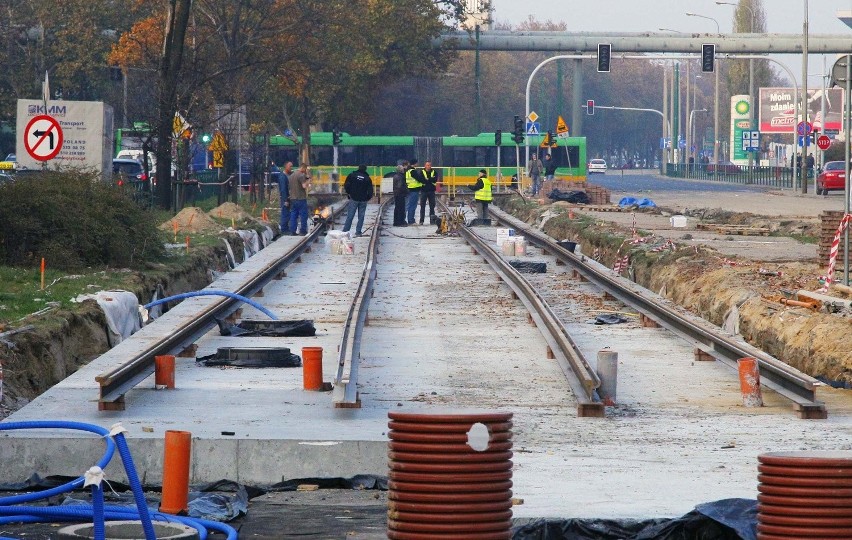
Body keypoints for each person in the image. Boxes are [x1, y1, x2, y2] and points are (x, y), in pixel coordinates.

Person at [342, 165, 374, 237]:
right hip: (363, 200)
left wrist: (349, 193)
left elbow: (346, 185)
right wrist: (368, 198)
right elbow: (370, 190)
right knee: (361, 216)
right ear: (365, 170)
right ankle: (358, 232)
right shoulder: (367, 178)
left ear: (358, 168)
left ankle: (345, 231)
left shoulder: (352, 175)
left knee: (350, 216)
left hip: (353, 198)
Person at [288, 163, 311, 235]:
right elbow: (304, 186)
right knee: (303, 215)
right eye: (305, 169)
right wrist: (308, 180)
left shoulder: (291, 176)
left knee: (293, 215)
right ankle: (303, 231)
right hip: (301, 198)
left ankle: (292, 231)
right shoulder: (301, 175)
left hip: (293, 198)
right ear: (304, 168)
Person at [418, 161, 437, 225]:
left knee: (432, 206)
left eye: (429, 165)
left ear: (431, 166)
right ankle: (421, 221)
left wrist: (427, 179)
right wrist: (430, 179)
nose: (428, 166)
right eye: (427, 165)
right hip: (424, 191)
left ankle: (432, 221)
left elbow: (435, 179)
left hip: (431, 191)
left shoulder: (434, 172)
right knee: (422, 206)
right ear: (425, 166)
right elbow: (421, 179)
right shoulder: (421, 172)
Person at [405, 158, 423, 225]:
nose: (417, 164)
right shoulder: (413, 171)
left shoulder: (408, 170)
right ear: (415, 163)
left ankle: (410, 219)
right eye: (417, 163)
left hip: (410, 189)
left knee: (410, 205)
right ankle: (411, 220)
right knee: (412, 206)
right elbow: (419, 179)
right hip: (414, 190)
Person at [277, 162, 293, 235]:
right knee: (285, 213)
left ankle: (286, 228)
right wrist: (285, 200)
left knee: (287, 213)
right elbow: (283, 189)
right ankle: (284, 229)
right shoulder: (283, 177)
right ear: (285, 167)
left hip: (287, 198)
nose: (291, 168)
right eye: (290, 166)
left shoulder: (286, 175)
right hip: (285, 199)